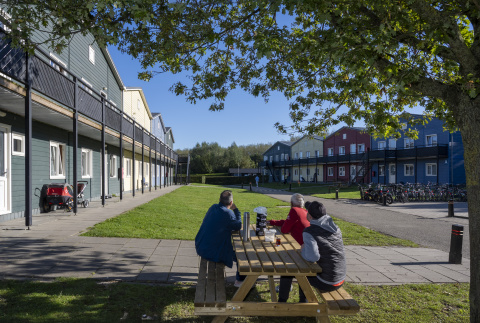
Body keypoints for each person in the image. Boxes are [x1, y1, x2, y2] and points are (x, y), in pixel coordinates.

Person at [195, 190, 245, 287]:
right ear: (231, 203)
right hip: (211, 251)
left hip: (201, 246)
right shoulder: (228, 213)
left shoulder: (213, 207)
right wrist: (236, 210)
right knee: (242, 257)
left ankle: (240, 280)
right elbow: (238, 225)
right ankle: (240, 281)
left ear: (219, 200)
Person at [299, 201, 346, 302]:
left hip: (327, 281)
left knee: (301, 273)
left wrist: (303, 249)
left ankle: (304, 303)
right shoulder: (335, 228)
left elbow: (312, 258)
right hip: (340, 278)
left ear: (310, 216)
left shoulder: (309, 231)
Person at [268, 193, 310, 302]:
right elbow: (288, 222)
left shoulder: (294, 210)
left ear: (291, 203)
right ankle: (303, 299)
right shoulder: (305, 212)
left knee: (287, 269)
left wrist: (275, 223)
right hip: (307, 249)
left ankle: (282, 299)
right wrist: (274, 222)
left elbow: (285, 229)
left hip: (299, 249)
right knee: (301, 273)